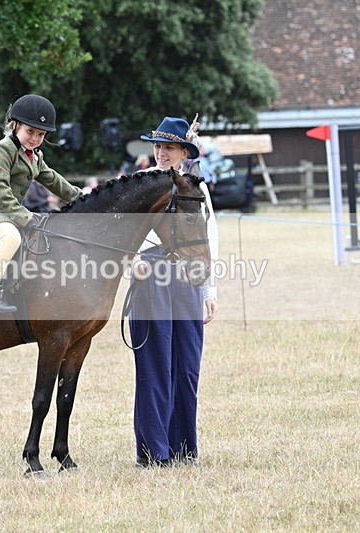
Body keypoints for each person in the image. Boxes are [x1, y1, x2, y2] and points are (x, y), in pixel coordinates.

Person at [129, 115, 218, 468]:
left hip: (188, 279)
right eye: (158, 146)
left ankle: (184, 448)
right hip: (150, 278)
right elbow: (121, 234)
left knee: (186, 367)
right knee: (155, 366)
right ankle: (155, 452)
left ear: (183, 152)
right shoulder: (140, 182)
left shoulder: (197, 186)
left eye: (169, 147)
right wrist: (132, 260)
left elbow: (208, 239)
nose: (161, 153)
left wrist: (210, 290)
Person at [0, 94, 82, 318]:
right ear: (14, 125)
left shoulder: (34, 156)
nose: (35, 138)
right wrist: (26, 217)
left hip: (4, 212)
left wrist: (82, 197)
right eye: (30, 131)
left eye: (41, 134)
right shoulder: (1, 150)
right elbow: (1, 192)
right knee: (12, 238)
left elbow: (53, 180)